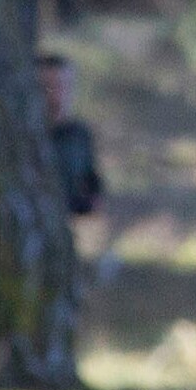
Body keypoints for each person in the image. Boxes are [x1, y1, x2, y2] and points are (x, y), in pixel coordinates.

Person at [40, 53, 110, 285]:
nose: (57, 95)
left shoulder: (79, 134)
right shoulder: (28, 141)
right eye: (48, 87)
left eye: (63, 86)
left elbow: (89, 180)